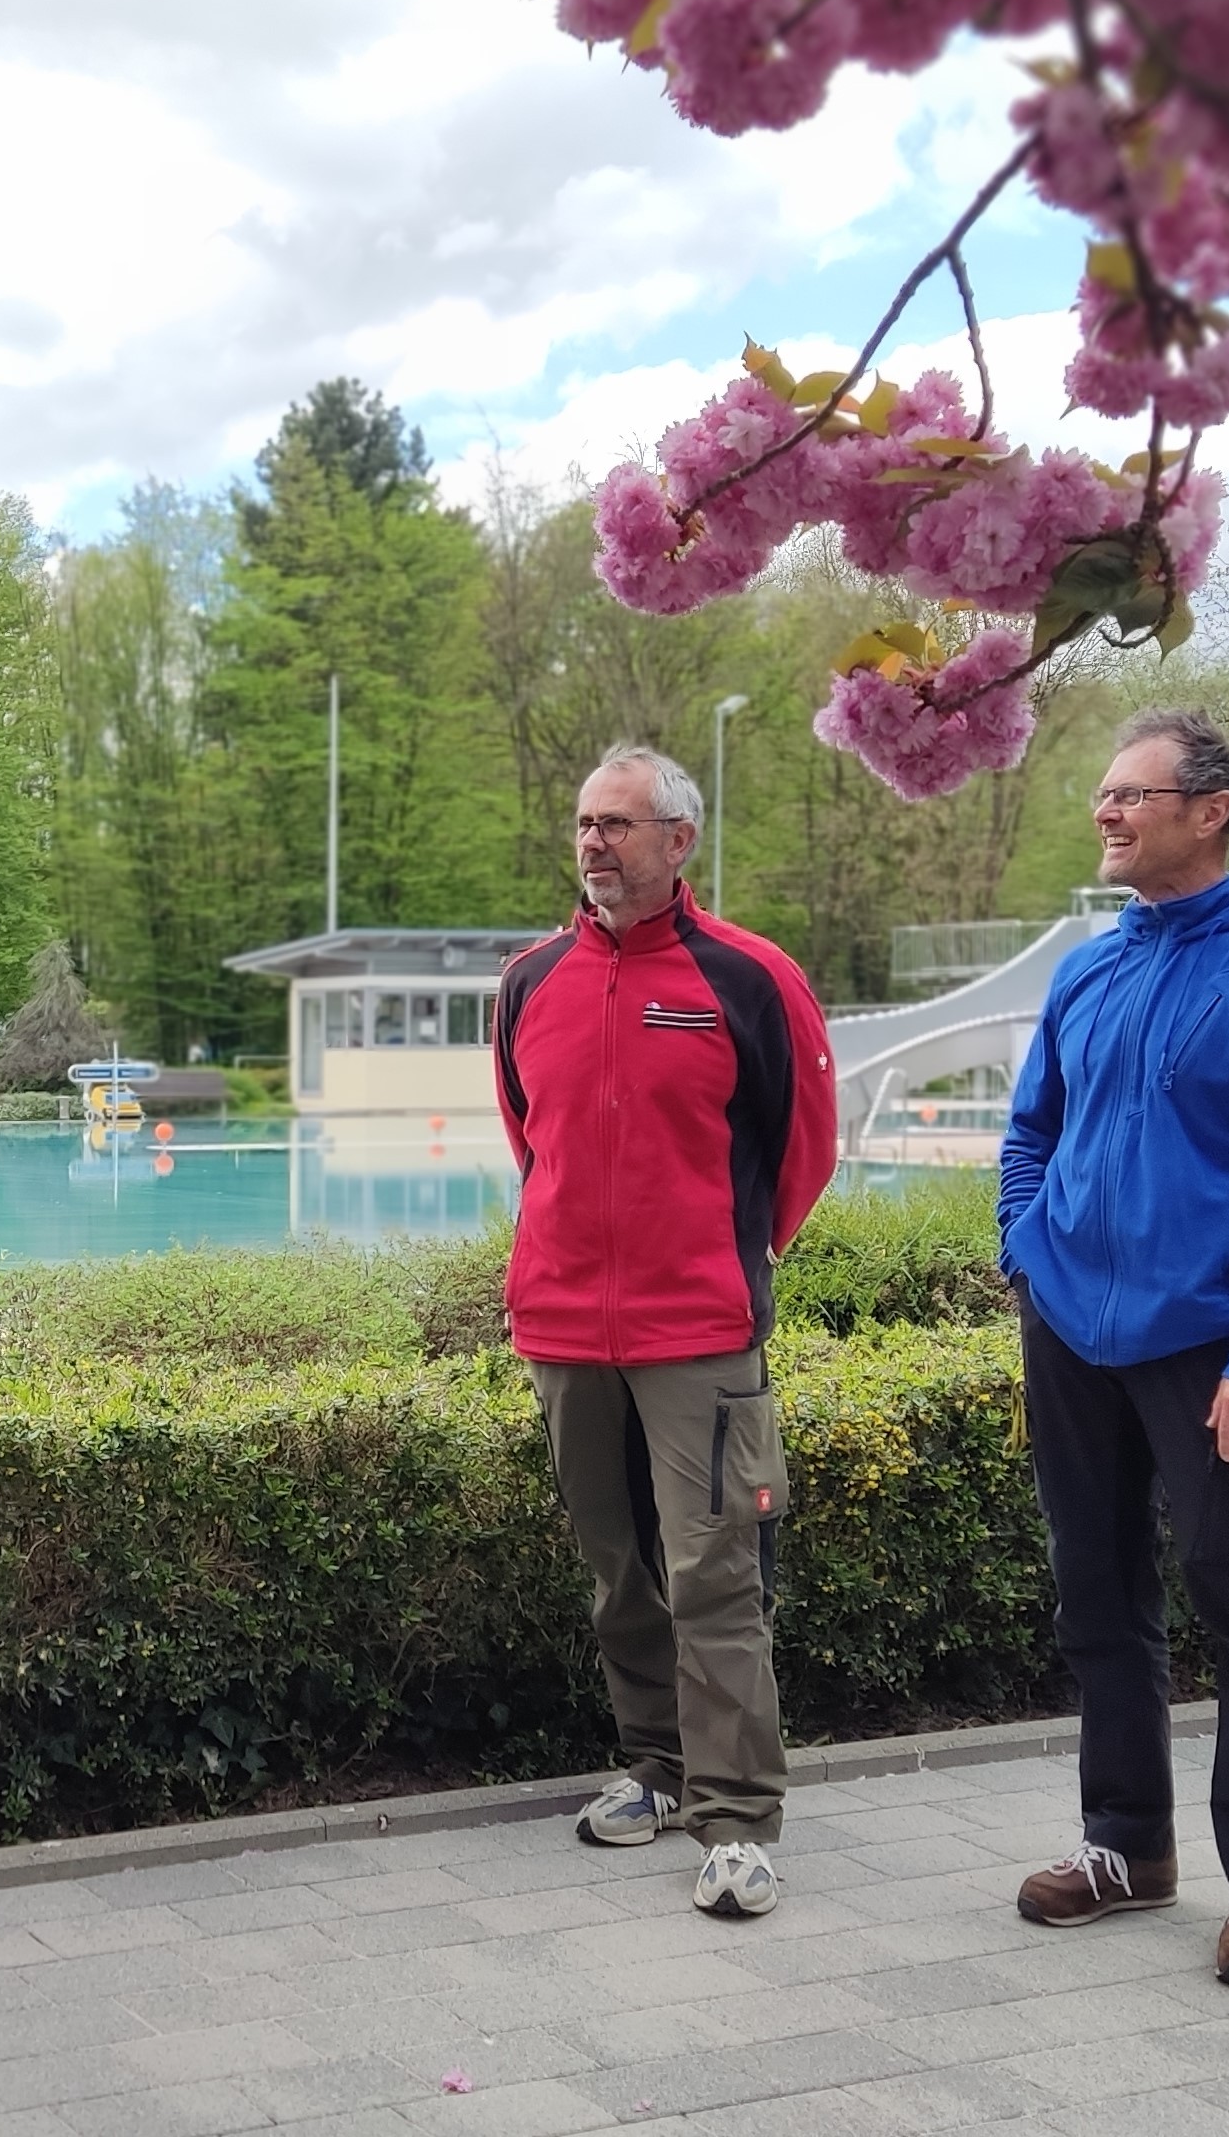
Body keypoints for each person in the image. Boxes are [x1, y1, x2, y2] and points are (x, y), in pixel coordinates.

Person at [998, 707, 1229, 1993]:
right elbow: (1032, 1122)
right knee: (1096, 1593)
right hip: (1074, 1330)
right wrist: (1024, 1243)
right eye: (1101, 794)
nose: (1105, 811)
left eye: (1129, 794)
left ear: (1209, 810)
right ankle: (1125, 1845)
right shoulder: (1090, 965)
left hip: (1214, 1348)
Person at [493, 743, 838, 1918]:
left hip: (700, 1331)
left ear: (678, 841)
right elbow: (532, 1143)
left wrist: (722, 1259)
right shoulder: (529, 980)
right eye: (585, 823)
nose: (595, 843)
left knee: (716, 1576)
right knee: (617, 1569)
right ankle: (654, 1769)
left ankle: (736, 1818)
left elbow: (804, 1149)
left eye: (620, 824)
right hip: (565, 1330)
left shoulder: (750, 976)